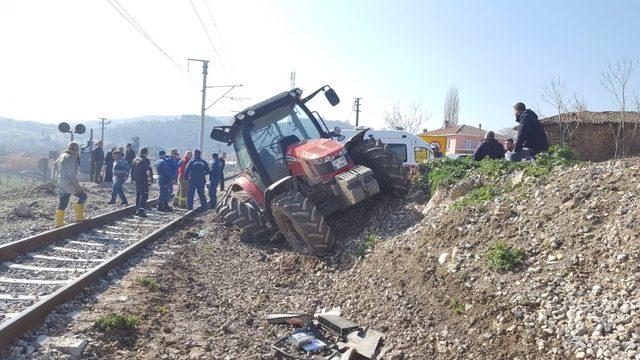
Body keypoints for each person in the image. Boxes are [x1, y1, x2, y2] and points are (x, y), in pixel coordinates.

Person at [53, 142, 87, 227]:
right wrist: (77, 186)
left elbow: (54, 165)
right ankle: (79, 216)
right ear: (76, 149)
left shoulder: (62, 155)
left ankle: (59, 223)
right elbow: (71, 174)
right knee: (83, 196)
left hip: (61, 182)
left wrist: (60, 174)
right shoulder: (70, 158)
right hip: (69, 183)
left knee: (63, 201)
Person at [131, 148, 153, 217]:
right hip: (144, 180)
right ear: (146, 153)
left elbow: (132, 170)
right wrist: (150, 182)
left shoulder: (135, 159)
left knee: (138, 194)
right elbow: (148, 172)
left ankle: (137, 208)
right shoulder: (146, 160)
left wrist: (133, 179)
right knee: (144, 195)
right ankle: (141, 210)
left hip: (137, 180)